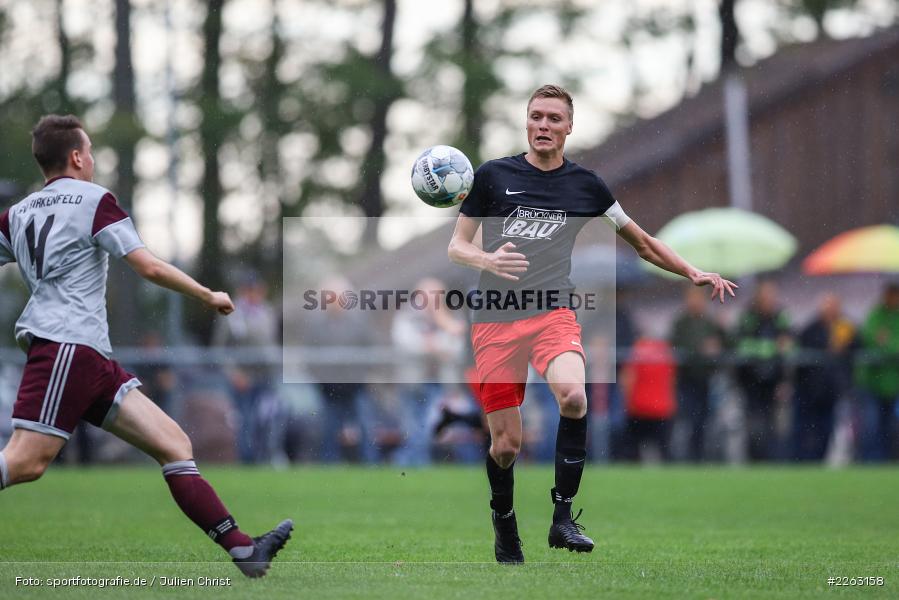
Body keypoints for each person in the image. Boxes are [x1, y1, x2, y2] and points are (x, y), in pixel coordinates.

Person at [447, 85, 737, 563]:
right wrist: (487, 258)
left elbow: (642, 243)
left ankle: (563, 518)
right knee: (505, 446)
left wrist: (692, 271)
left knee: (575, 395)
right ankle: (505, 523)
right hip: (495, 321)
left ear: (568, 127)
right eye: (535, 116)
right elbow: (457, 245)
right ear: (527, 123)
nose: (543, 125)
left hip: (552, 312)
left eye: (553, 118)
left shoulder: (587, 186)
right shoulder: (493, 175)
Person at [0, 115, 292, 577]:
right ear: (76, 157)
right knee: (24, 463)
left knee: (174, 444)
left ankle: (244, 551)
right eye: (90, 151)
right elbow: (149, 267)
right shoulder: (95, 200)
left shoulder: (17, 213)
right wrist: (207, 294)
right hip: (66, 347)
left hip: (89, 355)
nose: (92, 159)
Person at [791, 293, 856, 461]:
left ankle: (819, 459)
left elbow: (857, 346)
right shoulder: (811, 328)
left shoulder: (846, 327)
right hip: (810, 389)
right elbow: (802, 353)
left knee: (827, 429)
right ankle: (803, 460)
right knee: (805, 429)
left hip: (832, 390)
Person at [733, 280, 792, 461]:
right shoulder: (748, 316)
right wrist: (773, 348)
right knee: (754, 423)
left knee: (773, 424)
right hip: (751, 379)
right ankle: (755, 459)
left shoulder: (781, 316)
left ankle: (772, 460)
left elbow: (790, 345)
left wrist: (784, 380)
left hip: (773, 379)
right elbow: (743, 346)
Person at [669, 285, 727, 461]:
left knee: (704, 421)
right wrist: (700, 350)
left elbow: (727, 344)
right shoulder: (681, 323)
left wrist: (722, 332)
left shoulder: (711, 323)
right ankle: (688, 457)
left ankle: (701, 457)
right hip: (685, 379)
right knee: (687, 420)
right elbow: (675, 347)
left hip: (706, 379)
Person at [855, 281, 899, 461]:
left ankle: (888, 460)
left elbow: (883, 343)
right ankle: (871, 461)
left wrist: (887, 343)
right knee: (871, 426)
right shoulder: (875, 315)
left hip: (894, 382)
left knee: (891, 426)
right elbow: (870, 339)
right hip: (872, 382)